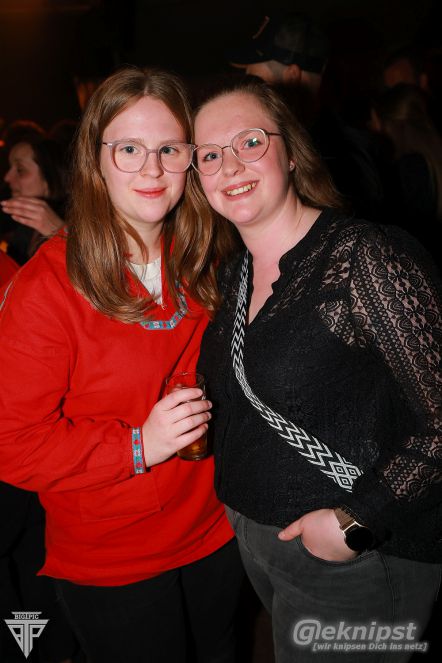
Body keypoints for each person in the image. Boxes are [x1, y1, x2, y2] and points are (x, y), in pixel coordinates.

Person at [193, 76, 442, 663]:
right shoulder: (234, 272)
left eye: (250, 141)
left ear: (290, 151)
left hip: (358, 559)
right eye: (209, 154)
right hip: (261, 546)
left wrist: (357, 522)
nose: (231, 165)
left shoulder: (364, 258)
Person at [0, 65, 243, 663]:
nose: (152, 169)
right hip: (115, 558)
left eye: (169, 149)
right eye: (129, 149)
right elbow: (11, 446)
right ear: (96, 159)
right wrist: (138, 446)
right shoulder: (48, 287)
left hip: (216, 529)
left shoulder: (205, 255)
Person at [225, 10, 384, 222]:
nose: (249, 93)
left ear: (292, 76)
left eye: (258, 82)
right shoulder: (336, 140)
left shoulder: (339, 159)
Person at [1, 132, 67, 264]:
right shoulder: (23, 226)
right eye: (10, 168)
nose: (7, 177)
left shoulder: (82, 223)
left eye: (20, 170)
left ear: (49, 179)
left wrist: (60, 233)